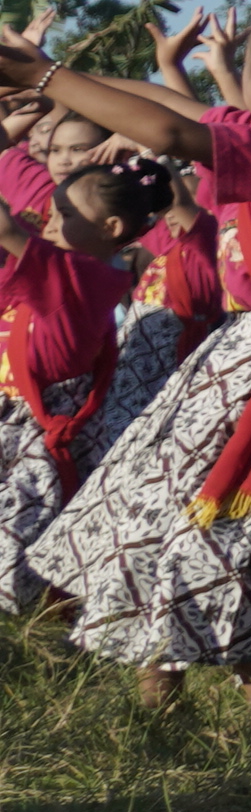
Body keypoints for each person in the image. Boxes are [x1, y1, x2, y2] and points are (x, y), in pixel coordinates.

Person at [8, 0, 251, 692]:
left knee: (249, 525)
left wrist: (48, 78)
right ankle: (169, 692)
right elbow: (162, 105)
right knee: (169, 509)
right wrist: (56, 73)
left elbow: (168, 130)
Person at [0, 158, 158, 607]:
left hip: (35, 432)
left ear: (109, 227)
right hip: (15, 420)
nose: (48, 225)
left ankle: (44, 627)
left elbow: (8, 229)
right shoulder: (58, 265)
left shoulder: (81, 277)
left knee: (27, 539)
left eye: (64, 216)